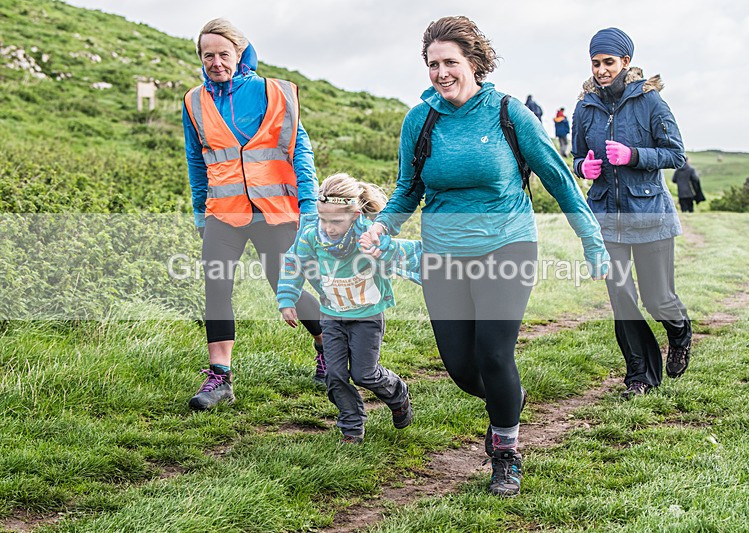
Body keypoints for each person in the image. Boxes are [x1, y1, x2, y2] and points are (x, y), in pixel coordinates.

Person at [360, 16, 608, 497]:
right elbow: (407, 189)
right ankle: (508, 399)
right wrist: (380, 227)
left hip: (506, 246)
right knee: (461, 367)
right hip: (443, 255)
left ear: (474, 62)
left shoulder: (508, 113)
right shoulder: (421, 119)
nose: (440, 72)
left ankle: (506, 451)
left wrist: (591, 239)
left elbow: (559, 179)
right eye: (432, 64)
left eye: (449, 62)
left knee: (495, 353)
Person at [182, 18, 326, 411]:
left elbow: (301, 153)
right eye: (208, 55)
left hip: (275, 209)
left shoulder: (278, 93)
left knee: (285, 287)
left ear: (240, 54)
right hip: (223, 212)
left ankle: (326, 339)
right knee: (216, 288)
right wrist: (200, 212)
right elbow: (197, 161)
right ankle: (219, 378)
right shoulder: (194, 101)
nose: (216, 62)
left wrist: (309, 209)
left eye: (223, 54)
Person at [571, 27, 692, 400]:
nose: (602, 70)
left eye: (609, 62)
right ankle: (639, 376)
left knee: (657, 299)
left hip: (651, 216)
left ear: (626, 62)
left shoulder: (651, 101)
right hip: (606, 217)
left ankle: (679, 330)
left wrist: (633, 155)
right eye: (596, 63)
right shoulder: (584, 106)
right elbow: (577, 155)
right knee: (622, 300)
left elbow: (676, 154)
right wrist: (583, 168)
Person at [277, 173, 420, 444]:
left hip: (366, 317)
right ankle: (351, 426)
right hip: (331, 316)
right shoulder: (311, 237)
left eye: (336, 221)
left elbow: (399, 253)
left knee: (364, 373)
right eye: (323, 219)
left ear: (355, 214)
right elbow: (294, 264)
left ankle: (397, 393)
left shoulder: (368, 234)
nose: (328, 227)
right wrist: (287, 299)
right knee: (335, 375)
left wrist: (379, 249)